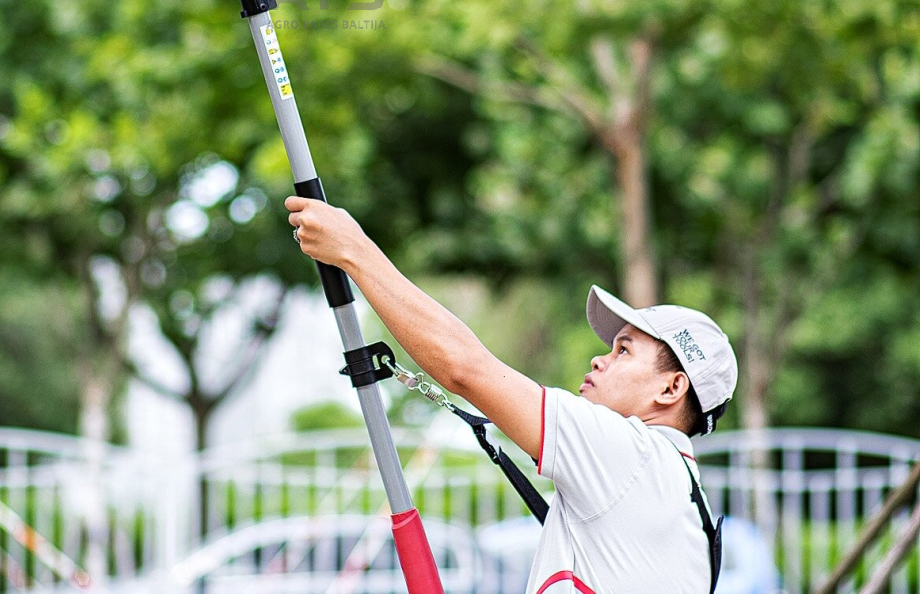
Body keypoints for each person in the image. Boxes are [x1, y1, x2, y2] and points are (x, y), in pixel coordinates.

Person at [285, 194, 739, 594]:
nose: (600, 360)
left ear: (671, 387)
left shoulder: (631, 456)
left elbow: (463, 367)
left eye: (624, 350)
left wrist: (354, 251)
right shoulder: (675, 490)